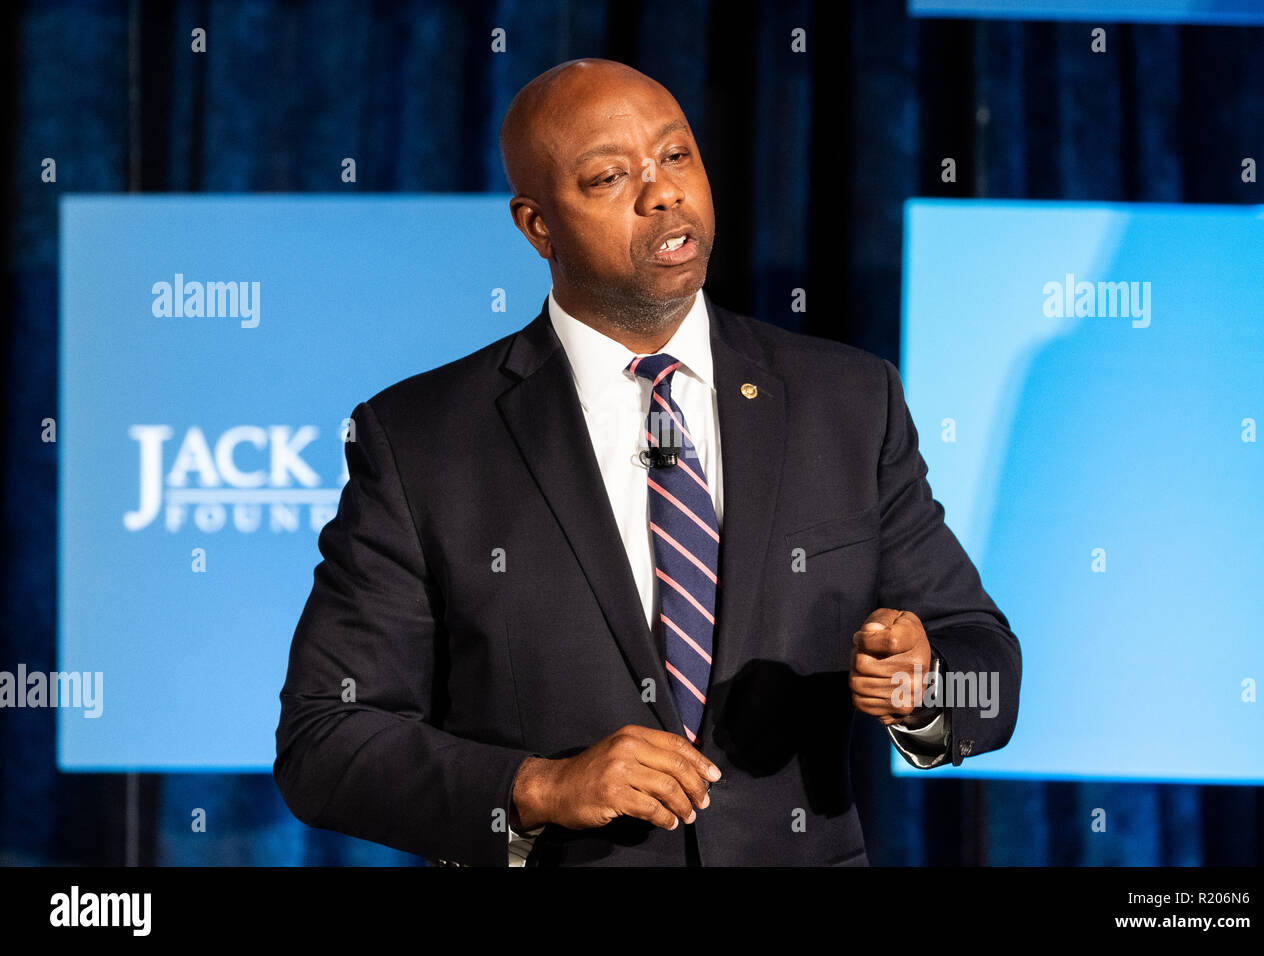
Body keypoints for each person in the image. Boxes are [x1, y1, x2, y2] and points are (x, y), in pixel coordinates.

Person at [274, 58, 1020, 867]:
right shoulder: (421, 439)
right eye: (608, 177)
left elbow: (980, 655)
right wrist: (539, 788)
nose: (662, 193)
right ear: (537, 226)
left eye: (677, 156)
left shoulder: (846, 399)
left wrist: (925, 687)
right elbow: (325, 741)